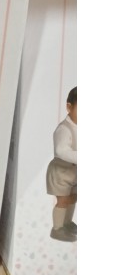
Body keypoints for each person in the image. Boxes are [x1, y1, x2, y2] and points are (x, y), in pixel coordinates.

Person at [46, 87, 77, 242]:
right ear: (69, 107)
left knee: (73, 197)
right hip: (61, 171)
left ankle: (67, 222)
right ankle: (57, 228)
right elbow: (61, 150)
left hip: (75, 172)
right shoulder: (64, 129)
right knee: (63, 200)